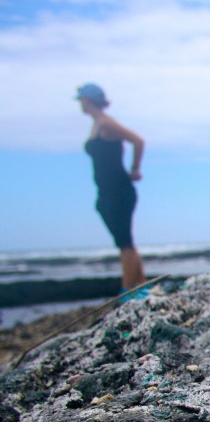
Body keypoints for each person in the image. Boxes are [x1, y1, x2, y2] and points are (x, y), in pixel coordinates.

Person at [77, 83, 147, 293]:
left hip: (119, 189)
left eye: (80, 99)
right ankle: (142, 286)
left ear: (88, 100)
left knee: (124, 242)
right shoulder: (97, 124)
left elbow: (138, 141)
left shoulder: (106, 124)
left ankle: (127, 292)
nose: (80, 104)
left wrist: (135, 169)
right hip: (106, 191)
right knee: (125, 242)